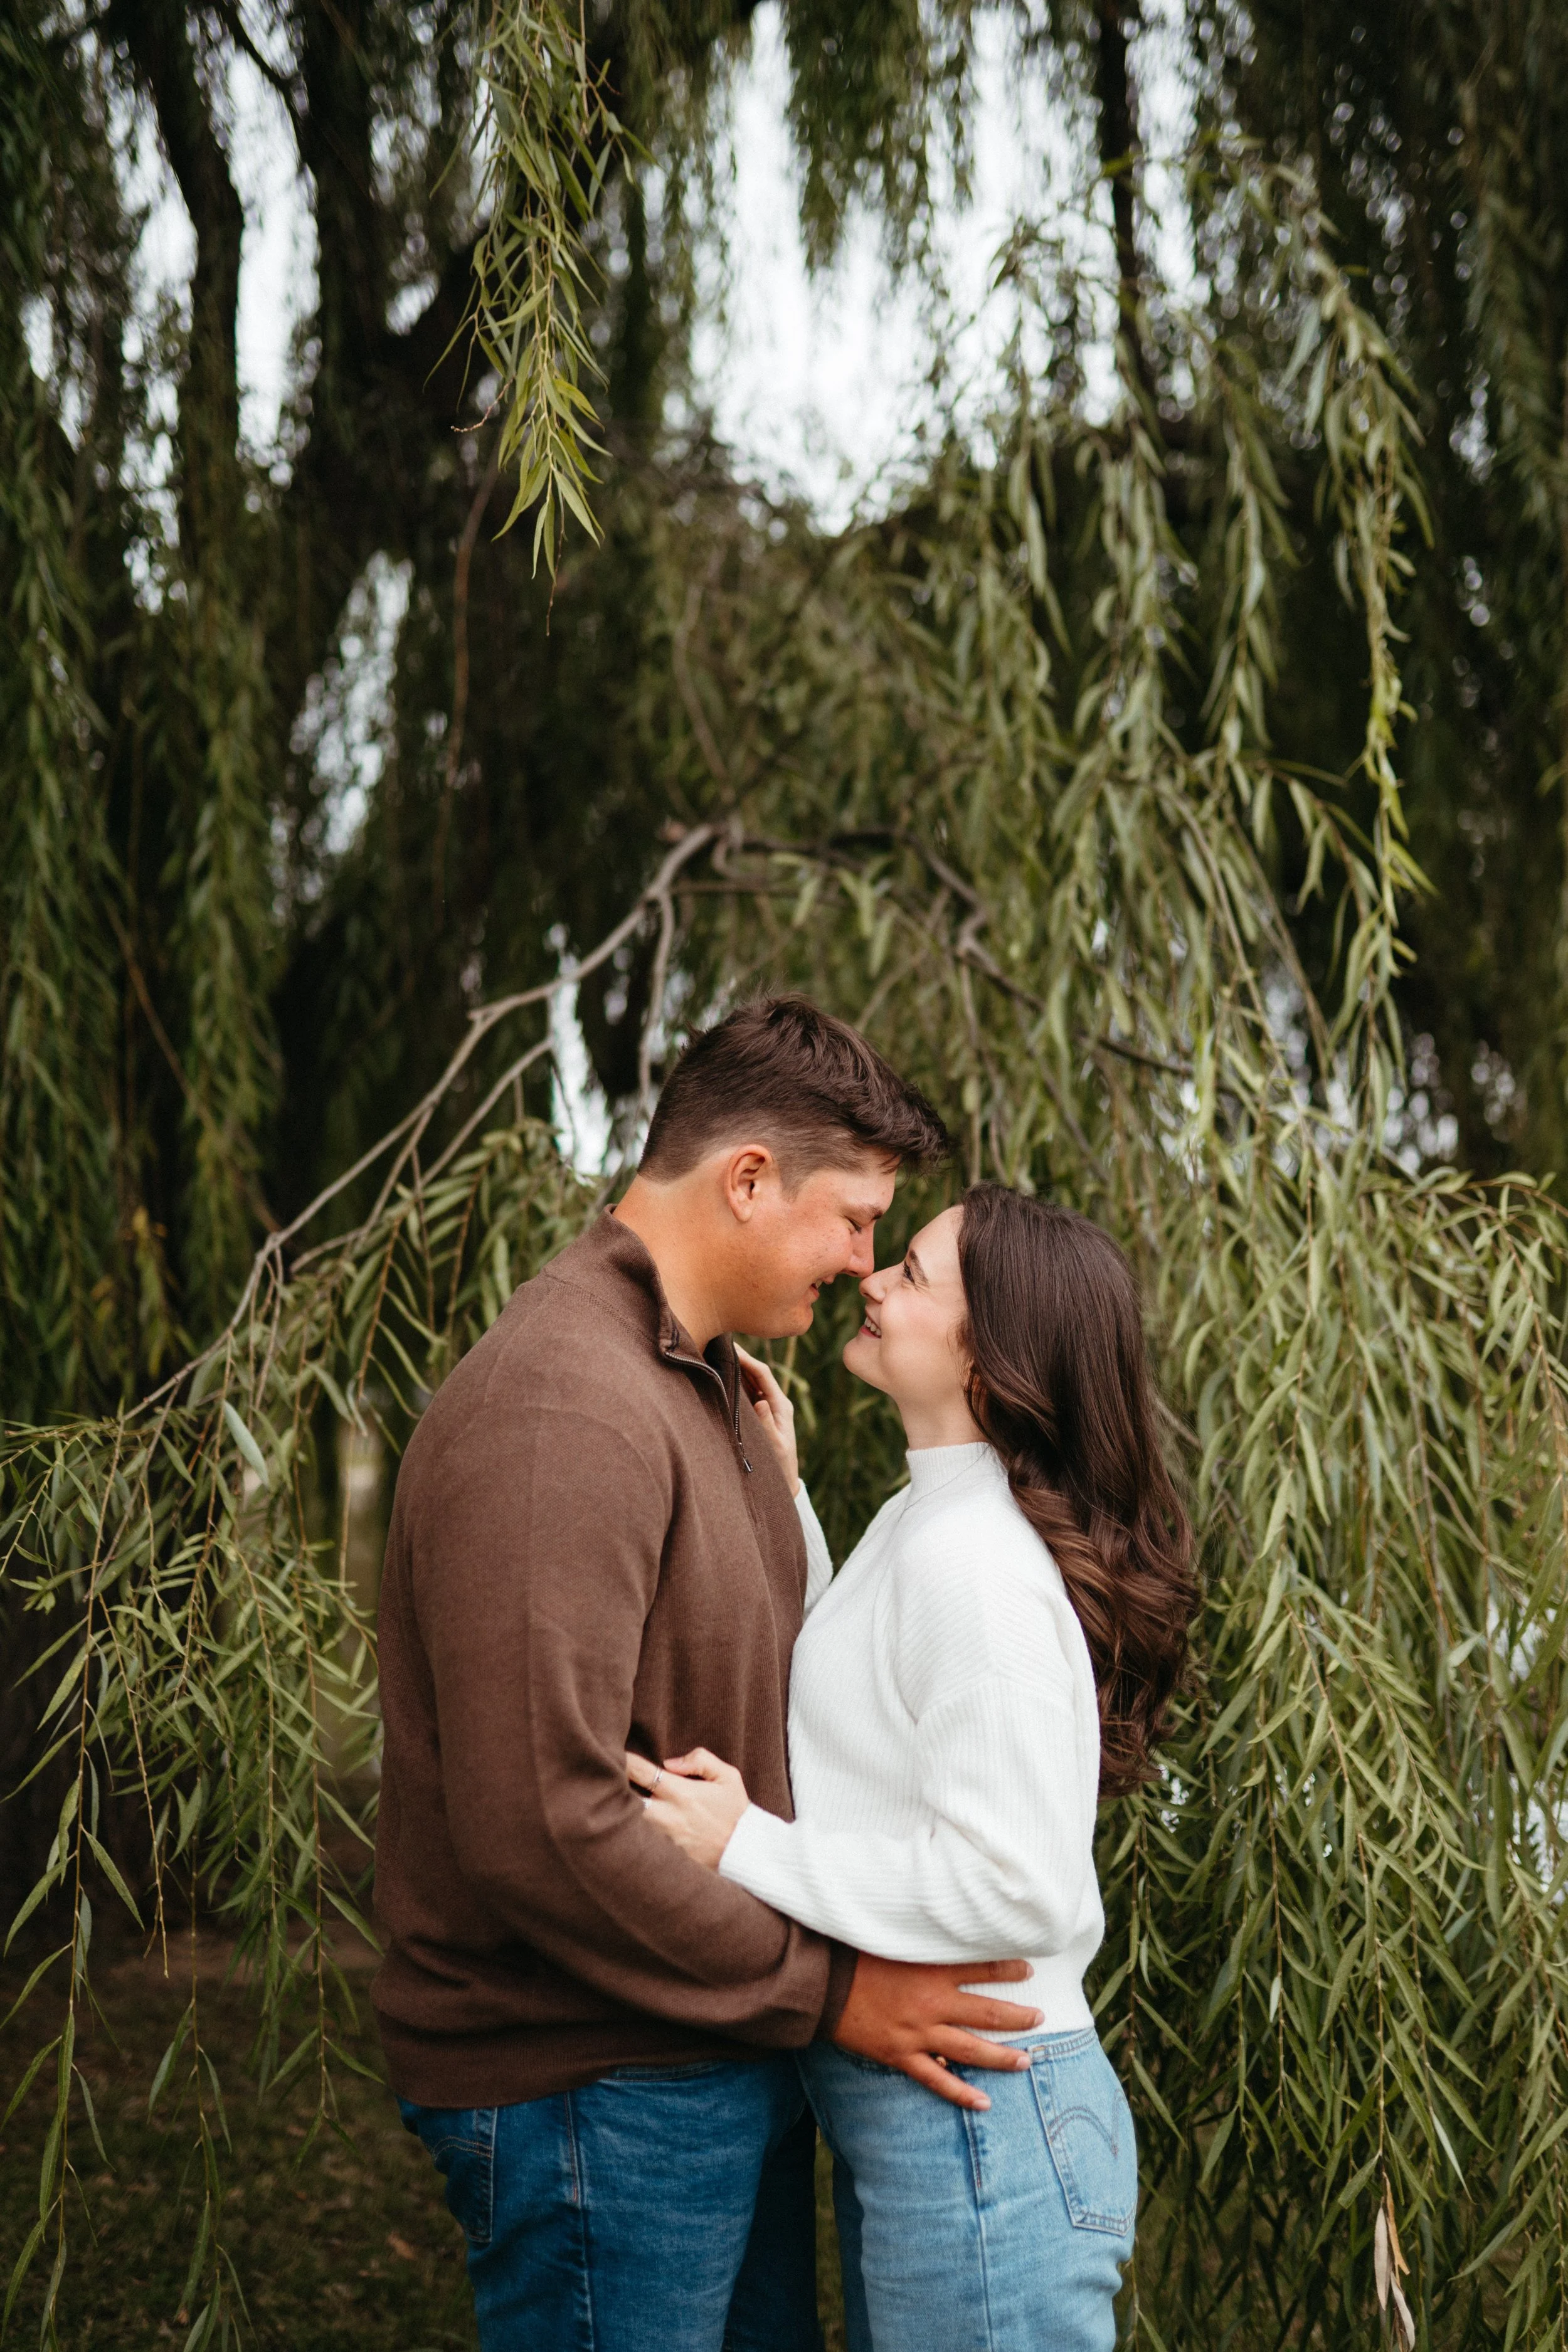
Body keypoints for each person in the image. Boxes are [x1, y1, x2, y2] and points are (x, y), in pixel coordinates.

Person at [372, 1002, 1045, 2352]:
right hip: (591, 2090)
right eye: (853, 1217)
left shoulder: (701, 1390)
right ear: (746, 1180)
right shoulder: (561, 1407)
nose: (865, 1263)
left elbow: (758, 1687)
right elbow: (542, 1821)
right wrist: (831, 1993)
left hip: (695, 2064)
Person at [632, 1184, 1197, 2352]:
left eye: (917, 1277)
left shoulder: (976, 1567)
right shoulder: (932, 1520)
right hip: (956, 2126)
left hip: (985, 2123)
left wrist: (747, 1844)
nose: (873, 1277)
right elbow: (861, 1698)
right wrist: (786, 1499)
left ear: (991, 1363)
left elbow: (1016, 1885)